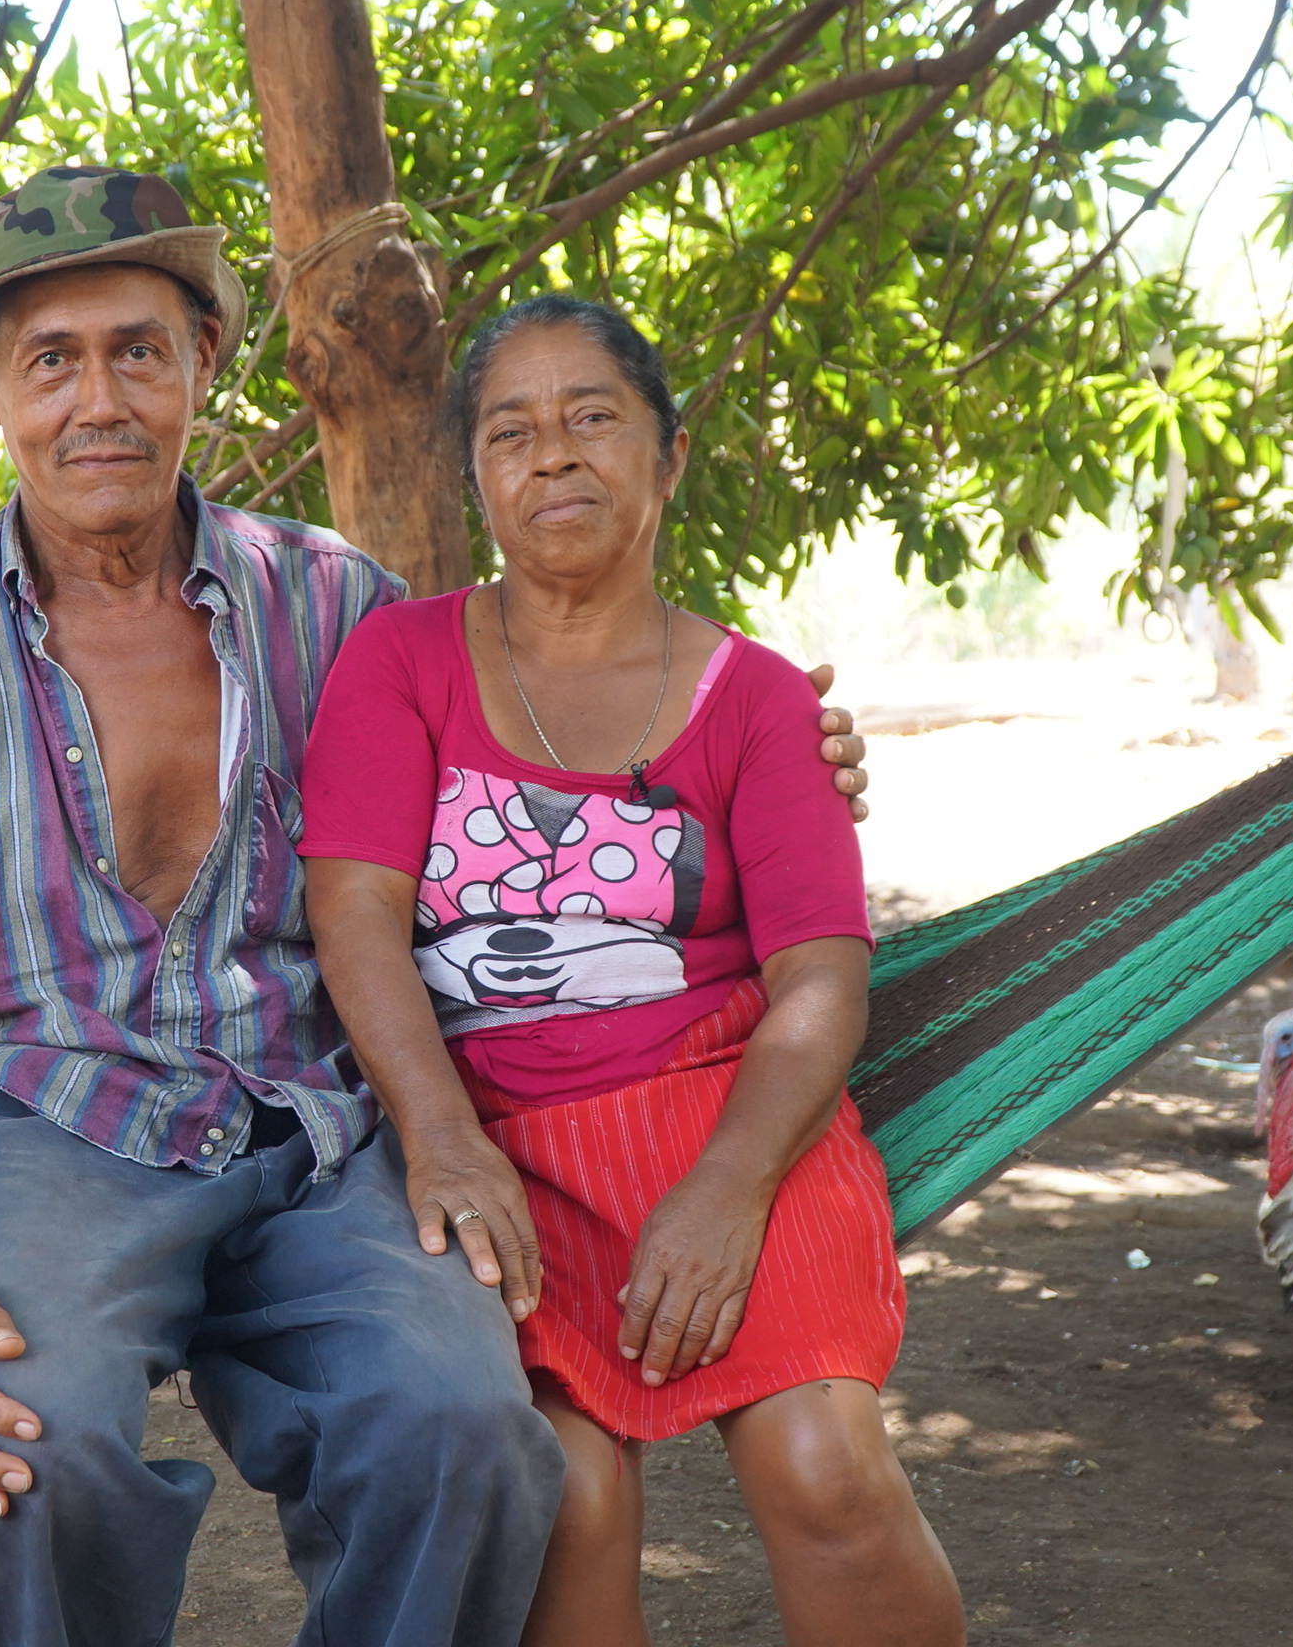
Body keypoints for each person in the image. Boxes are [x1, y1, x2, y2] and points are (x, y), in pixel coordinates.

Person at [0, 168, 870, 1646]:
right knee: (15, 1451)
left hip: (322, 1125)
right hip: (51, 1125)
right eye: (51, 359)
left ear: (204, 365)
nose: (101, 399)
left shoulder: (335, 605)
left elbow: (564, 702)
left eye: (140, 351)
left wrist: (783, 744)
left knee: (464, 1427)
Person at [298, 295, 964, 1647]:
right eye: (511, 432)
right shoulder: (403, 662)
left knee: (821, 1467)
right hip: (498, 1149)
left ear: (666, 460)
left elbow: (821, 981)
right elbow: (355, 913)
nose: (554, 455)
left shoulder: (764, 703)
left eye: (593, 417)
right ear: (475, 479)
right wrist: (438, 1136)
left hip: (739, 1124)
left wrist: (727, 1185)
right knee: (568, 1501)